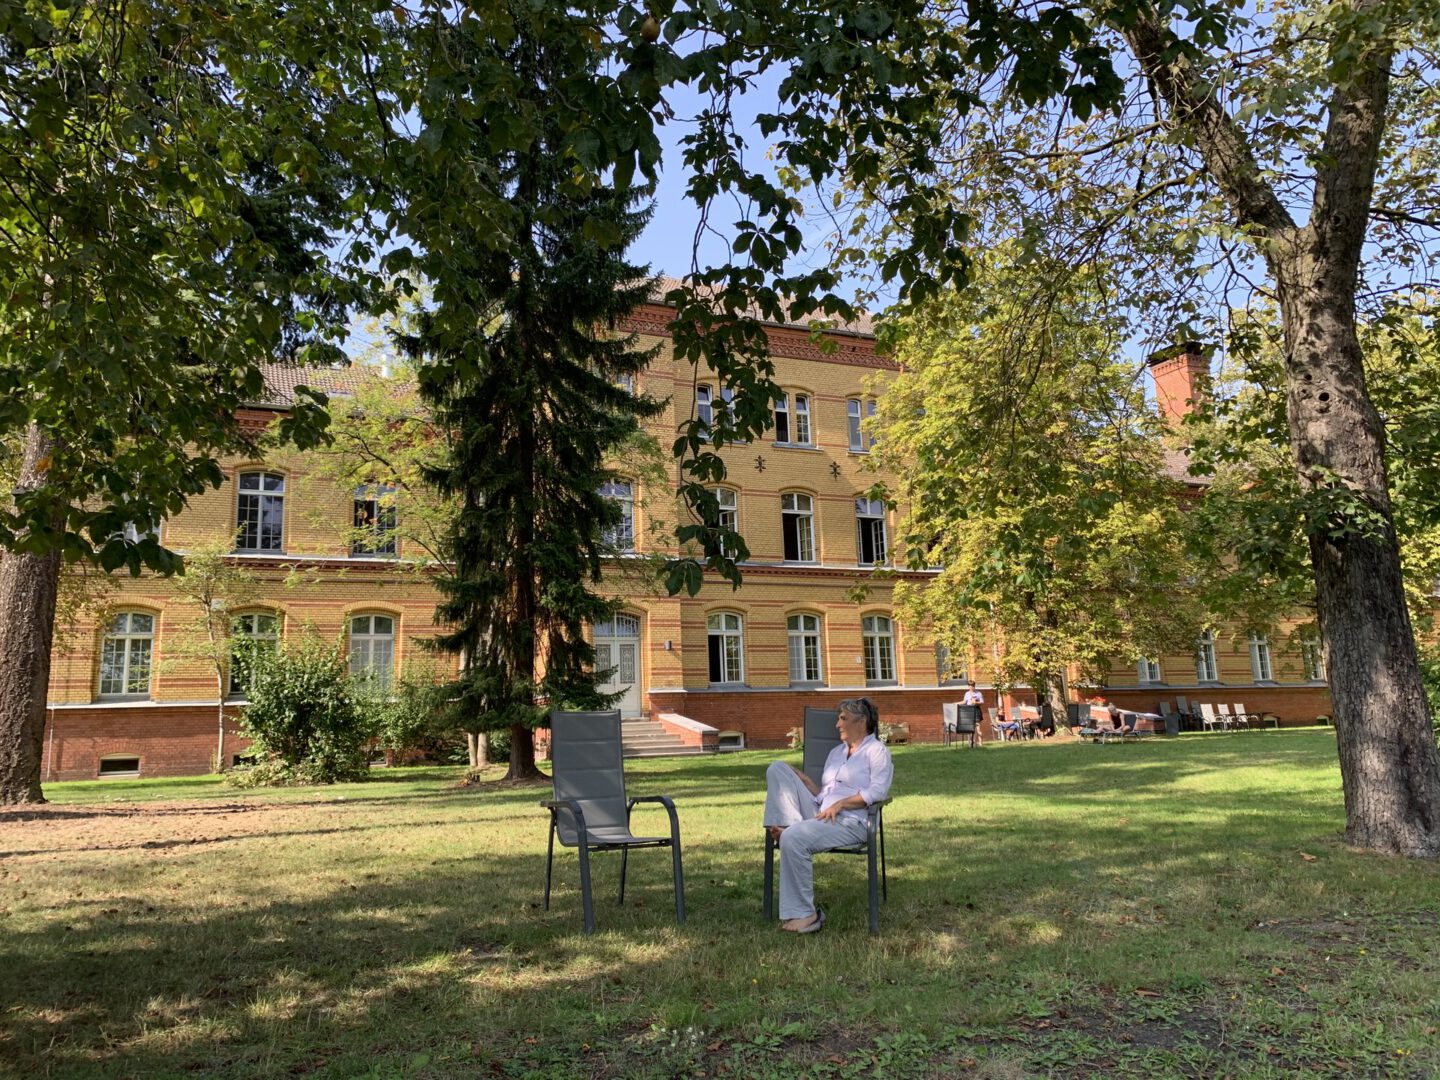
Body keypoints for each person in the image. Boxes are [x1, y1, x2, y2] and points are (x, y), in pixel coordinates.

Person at [763, 698, 893, 933]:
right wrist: (804, 781)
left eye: (842, 718)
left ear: (861, 721)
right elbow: (825, 795)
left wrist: (843, 804)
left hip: (852, 821)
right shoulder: (836, 752)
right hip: (822, 814)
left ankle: (808, 916)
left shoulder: (877, 752)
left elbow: (877, 791)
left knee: (794, 838)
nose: (837, 724)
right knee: (777, 768)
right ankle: (789, 829)